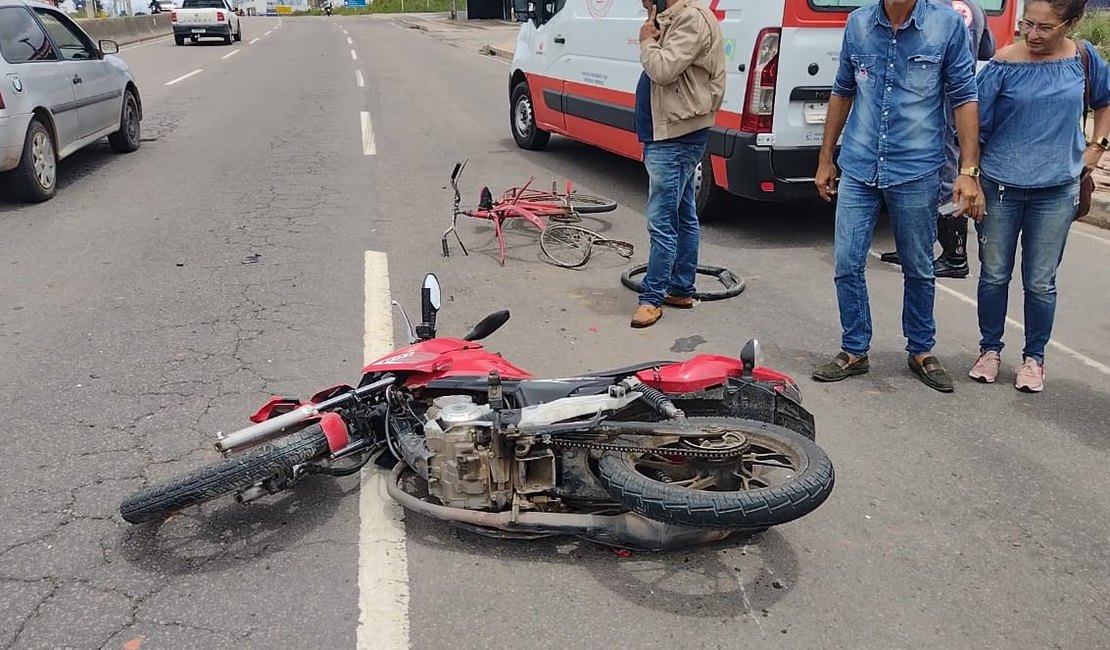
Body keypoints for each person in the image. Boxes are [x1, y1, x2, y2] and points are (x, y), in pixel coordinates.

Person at [811, 0, 985, 392]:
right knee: (846, 261)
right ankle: (854, 349)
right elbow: (842, 90)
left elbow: (964, 98)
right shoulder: (858, 23)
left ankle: (921, 349)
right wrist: (825, 159)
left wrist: (968, 171)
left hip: (916, 168)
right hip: (858, 163)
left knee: (918, 264)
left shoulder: (945, 26)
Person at [967, 0, 1110, 393]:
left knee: (1040, 281)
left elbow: (1104, 100)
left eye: (1045, 28)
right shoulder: (1002, 63)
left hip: (1057, 189)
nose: (1032, 35)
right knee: (994, 275)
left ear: (1071, 23)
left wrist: (1096, 147)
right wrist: (970, 177)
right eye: (1027, 24)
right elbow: (974, 125)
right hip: (1000, 187)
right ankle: (989, 349)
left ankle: (1034, 358)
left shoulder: (1083, 58)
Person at [878, 0, 996, 278]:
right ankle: (918, 247)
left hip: (940, 100)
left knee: (944, 175)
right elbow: (987, 49)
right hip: (944, 98)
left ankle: (955, 254)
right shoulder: (973, 8)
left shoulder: (941, 10)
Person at [630, 0, 725, 328]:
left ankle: (652, 297)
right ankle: (681, 287)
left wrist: (646, 38)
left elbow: (662, 68)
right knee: (683, 214)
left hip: (676, 137)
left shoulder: (691, 20)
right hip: (668, 133)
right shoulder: (673, 17)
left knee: (662, 221)